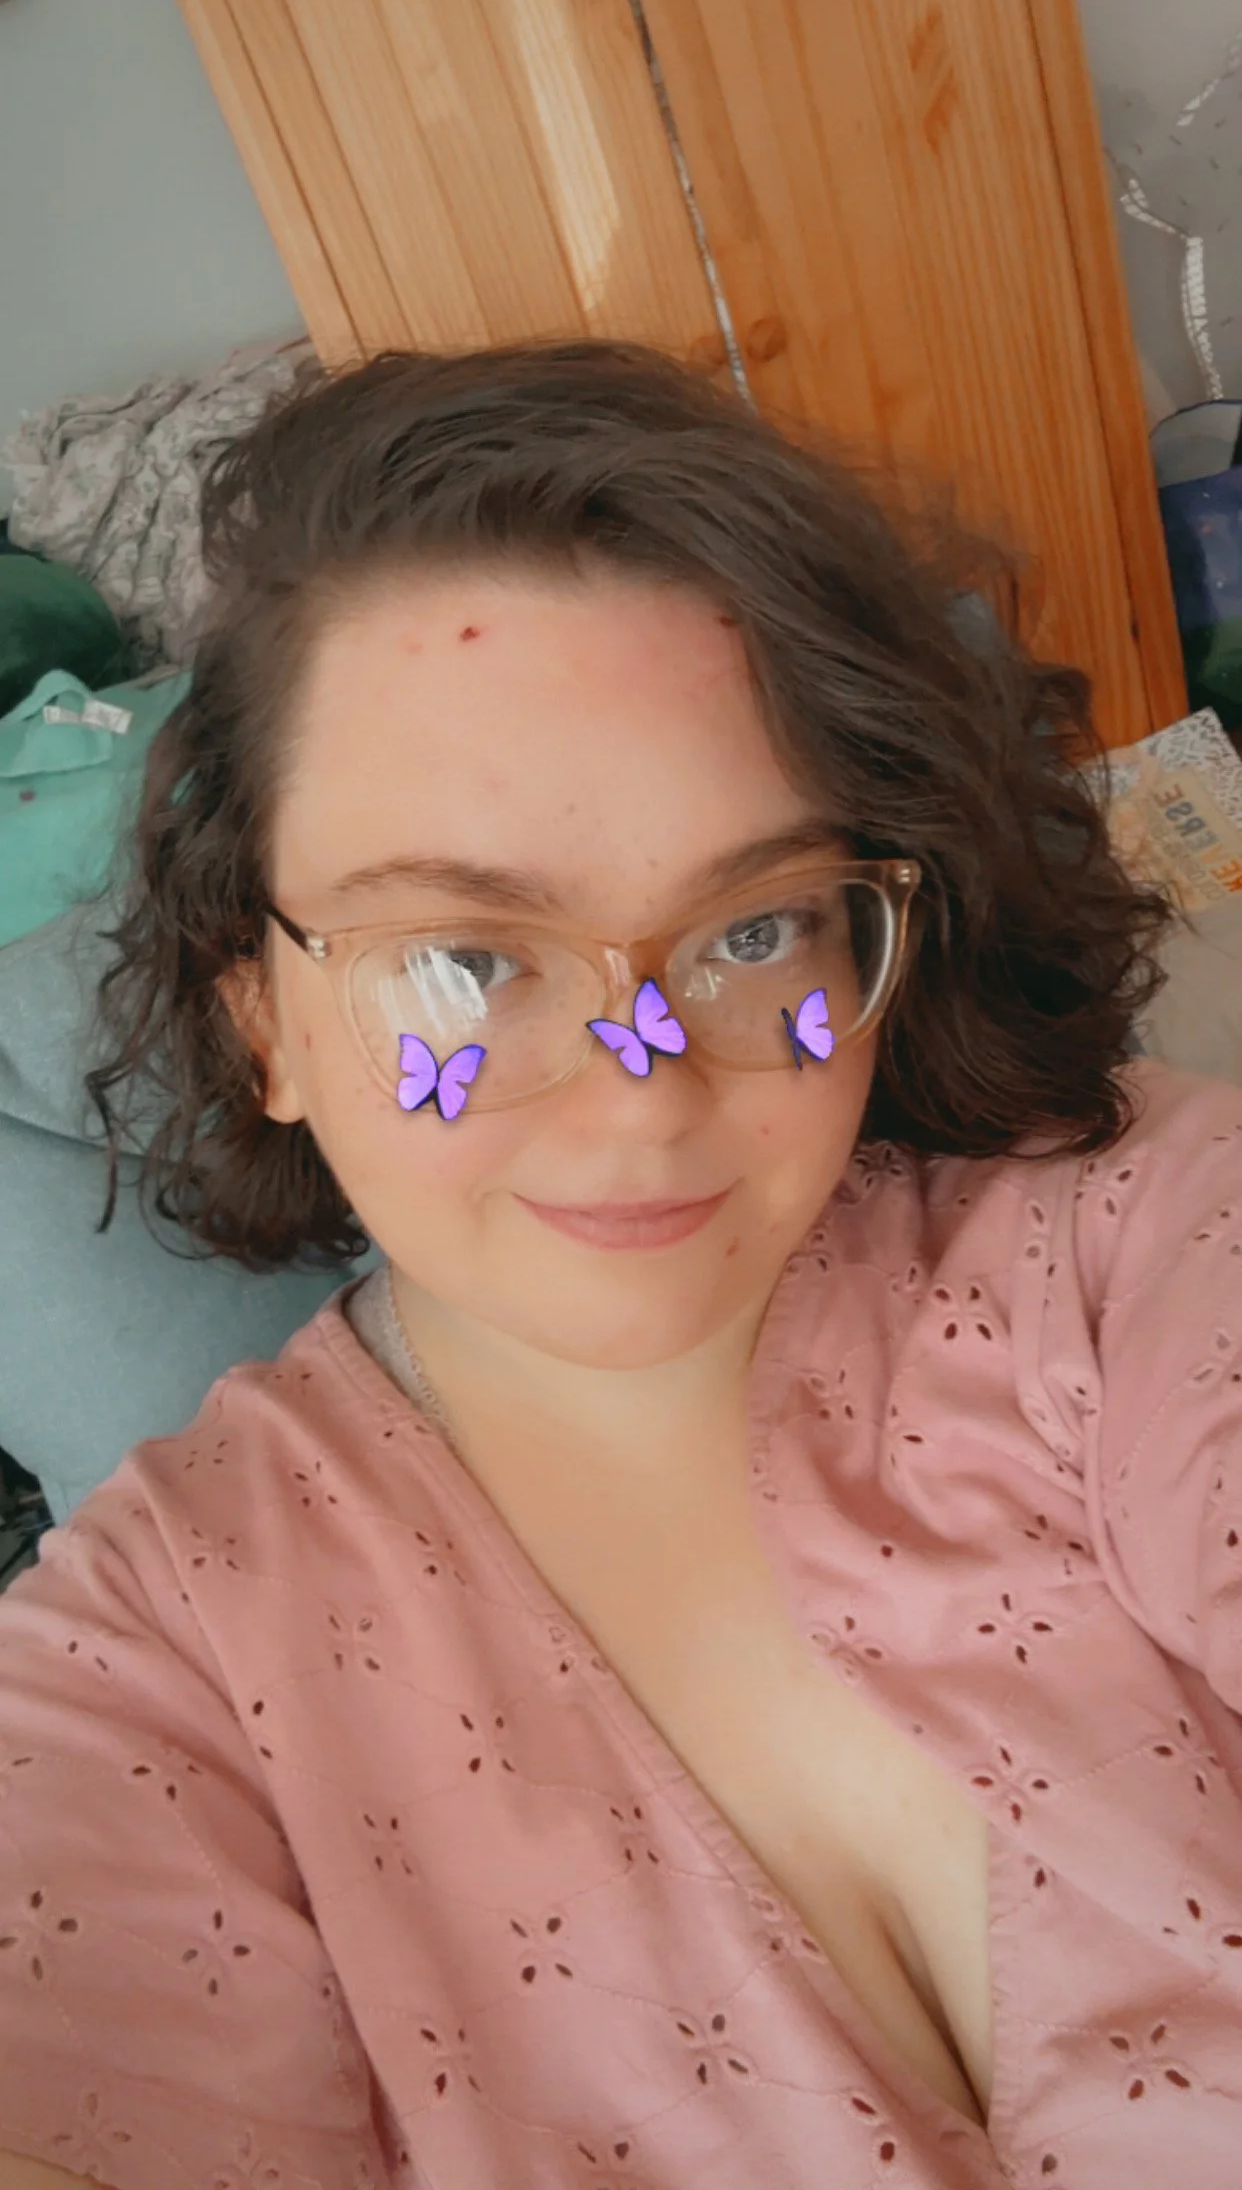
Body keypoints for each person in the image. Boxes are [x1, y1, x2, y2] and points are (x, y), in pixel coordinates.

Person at [0, 340, 1238, 2190]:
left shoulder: (1123, 1237)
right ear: (262, 1016)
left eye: (751, 925)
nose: (640, 1094)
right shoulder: (156, 1680)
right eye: (466, 957)